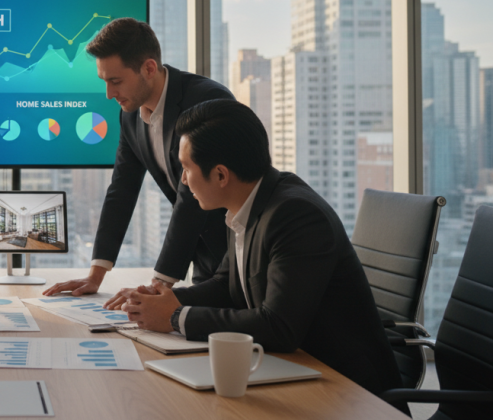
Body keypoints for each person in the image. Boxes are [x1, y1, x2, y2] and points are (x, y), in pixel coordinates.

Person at [106, 99, 402, 396]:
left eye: (186, 168)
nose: (183, 180)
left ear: (221, 175)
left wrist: (175, 317)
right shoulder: (247, 202)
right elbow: (228, 285)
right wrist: (162, 301)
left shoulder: (296, 215)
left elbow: (279, 326)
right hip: (293, 371)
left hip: (347, 391)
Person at [44, 18, 233, 298]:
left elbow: (191, 199)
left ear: (149, 68)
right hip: (203, 260)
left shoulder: (206, 101)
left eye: (116, 81)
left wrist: (159, 285)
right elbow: (122, 189)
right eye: (104, 82)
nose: (109, 94)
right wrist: (95, 276)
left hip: (240, 253)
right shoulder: (130, 115)